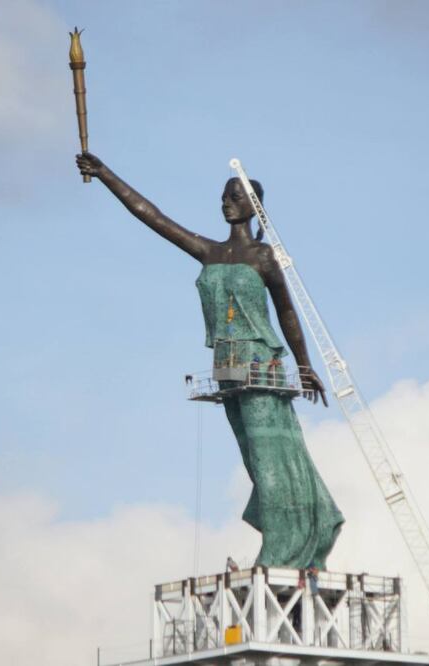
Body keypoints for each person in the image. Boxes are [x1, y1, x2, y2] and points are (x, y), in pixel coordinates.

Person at [77, 152, 344, 569]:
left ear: (254, 207)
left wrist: (305, 365)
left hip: (258, 360)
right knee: (255, 461)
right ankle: (285, 543)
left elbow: (287, 311)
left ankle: (284, 551)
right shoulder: (210, 251)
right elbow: (153, 216)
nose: (225, 202)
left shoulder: (264, 256)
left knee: (270, 456)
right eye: (223, 195)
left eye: (234, 196)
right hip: (226, 366)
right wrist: (105, 173)